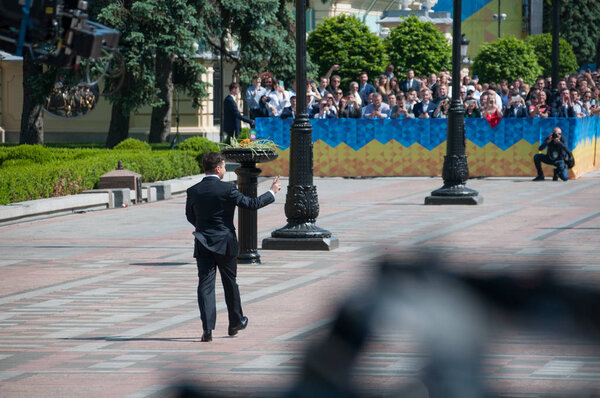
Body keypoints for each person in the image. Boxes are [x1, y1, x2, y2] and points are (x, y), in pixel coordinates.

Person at [186, 152, 281, 342]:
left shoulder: (193, 190)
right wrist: (272, 191)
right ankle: (235, 321)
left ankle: (207, 329)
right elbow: (251, 204)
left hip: (203, 241)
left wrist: (204, 228)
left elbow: (190, 216)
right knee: (230, 282)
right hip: (226, 242)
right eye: (223, 166)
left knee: (205, 285)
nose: (224, 169)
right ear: (218, 168)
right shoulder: (227, 189)